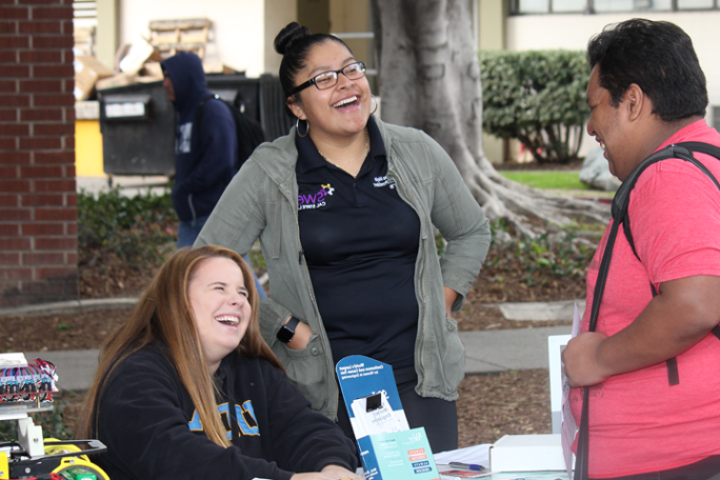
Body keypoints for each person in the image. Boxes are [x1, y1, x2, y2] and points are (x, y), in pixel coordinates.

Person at [195, 22, 491, 453]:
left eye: (352, 70)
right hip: (319, 386)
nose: (346, 85)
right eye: (324, 79)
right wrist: (284, 328)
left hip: (420, 377)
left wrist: (441, 299)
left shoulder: (416, 151)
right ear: (297, 106)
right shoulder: (270, 171)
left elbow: (470, 231)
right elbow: (207, 262)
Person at [562, 19, 720, 479]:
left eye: (595, 107)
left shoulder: (668, 177)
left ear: (631, 101)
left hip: (667, 457)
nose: (591, 126)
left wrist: (598, 357)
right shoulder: (707, 161)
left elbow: (694, 304)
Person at [74, 245, 360, 480]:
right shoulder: (134, 379)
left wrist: (332, 466)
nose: (237, 300)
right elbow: (180, 463)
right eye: (219, 288)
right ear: (178, 301)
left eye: (243, 293)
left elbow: (306, 429)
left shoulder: (253, 371)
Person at [161, 51, 267, 299]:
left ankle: (273, 332)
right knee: (180, 280)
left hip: (217, 214)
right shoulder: (184, 113)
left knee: (241, 279)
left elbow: (220, 161)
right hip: (193, 219)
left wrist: (185, 188)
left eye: (169, 76)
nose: (164, 83)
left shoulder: (212, 111)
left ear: (184, 78)